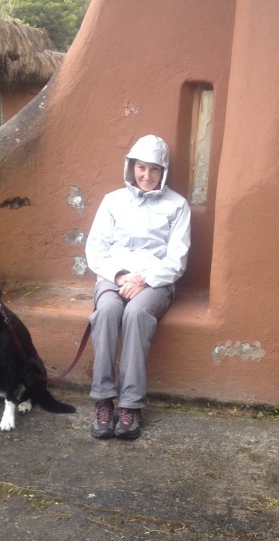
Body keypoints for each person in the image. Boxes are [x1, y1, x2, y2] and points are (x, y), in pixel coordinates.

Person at [85, 134, 191, 440]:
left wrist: (143, 280)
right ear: (131, 167)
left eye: (154, 169)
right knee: (106, 312)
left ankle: (130, 405)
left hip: (156, 281)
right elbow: (96, 249)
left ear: (163, 171)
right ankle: (103, 401)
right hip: (114, 276)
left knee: (135, 315)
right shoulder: (112, 201)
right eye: (141, 167)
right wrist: (120, 276)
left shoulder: (177, 205)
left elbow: (177, 259)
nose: (146, 175)